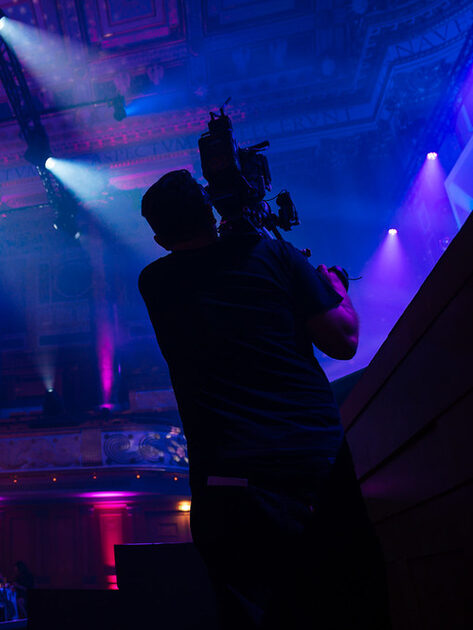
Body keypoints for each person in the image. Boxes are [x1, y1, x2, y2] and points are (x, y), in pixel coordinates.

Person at [138, 169, 389, 629]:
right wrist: (335, 289)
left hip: (225, 479)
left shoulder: (154, 283)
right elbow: (343, 341)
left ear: (159, 239)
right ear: (209, 210)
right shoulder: (274, 256)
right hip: (311, 466)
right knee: (347, 603)